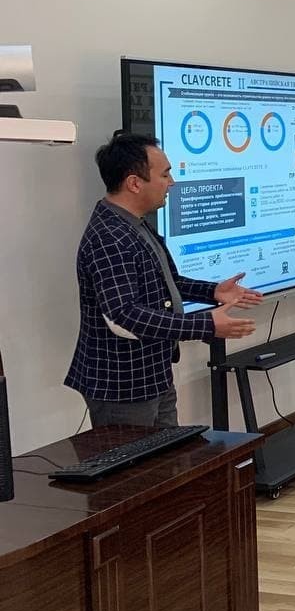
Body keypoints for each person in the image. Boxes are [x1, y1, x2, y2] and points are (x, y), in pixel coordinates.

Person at [65, 132, 262, 428]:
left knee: (169, 454)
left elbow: (167, 282)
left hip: (154, 373)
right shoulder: (109, 237)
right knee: (136, 459)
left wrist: (213, 292)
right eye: (165, 174)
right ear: (134, 183)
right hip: (123, 385)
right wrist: (205, 325)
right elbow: (124, 314)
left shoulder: (134, 224)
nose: (172, 183)